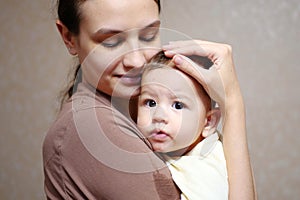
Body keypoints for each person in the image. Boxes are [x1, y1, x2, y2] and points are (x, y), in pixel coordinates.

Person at [43, 0, 256, 199]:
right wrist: (233, 103)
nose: (137, 60)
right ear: (68, 37)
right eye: (111, 41)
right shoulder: (92, 127)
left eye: (148, 35)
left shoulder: (138, 110)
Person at [137, 51, 228, 199]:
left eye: (178, 105)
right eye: (150, 103)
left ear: (208, 122)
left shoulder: (208, 171)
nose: (159, 116)